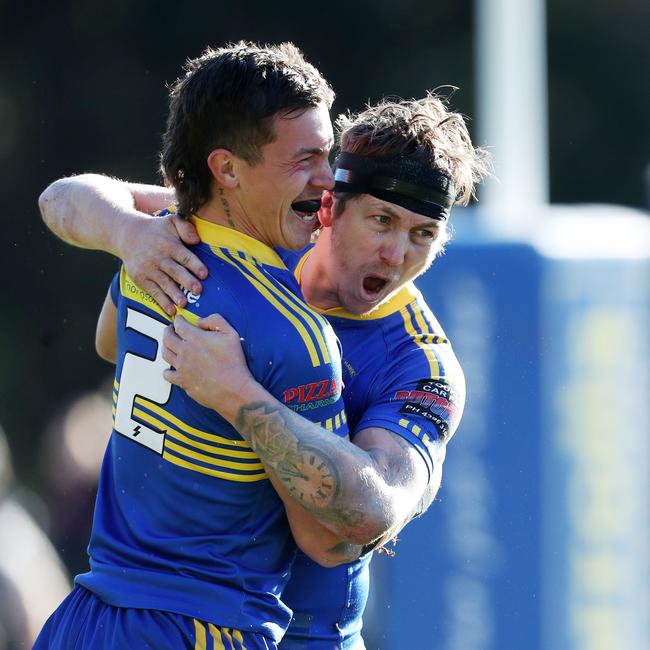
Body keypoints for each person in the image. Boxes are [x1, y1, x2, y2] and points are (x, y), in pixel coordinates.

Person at [40, 94, 490, 647]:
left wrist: (239, 396)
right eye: (382, 220)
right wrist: (128, 235)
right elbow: (67, 202)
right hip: (167, 614)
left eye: (423, 235)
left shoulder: (420, 365)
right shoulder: (258, 235)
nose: (396, 254)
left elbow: (371, 514)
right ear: (330, 205)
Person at [35, 41, 357, 650]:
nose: (327, 178)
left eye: (328, 154)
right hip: (201, 629)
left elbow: (108, 344)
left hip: (86, 617)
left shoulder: (153, 254)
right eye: (305, 159)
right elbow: (328, 537)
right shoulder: (294, 332)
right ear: (228, 168)